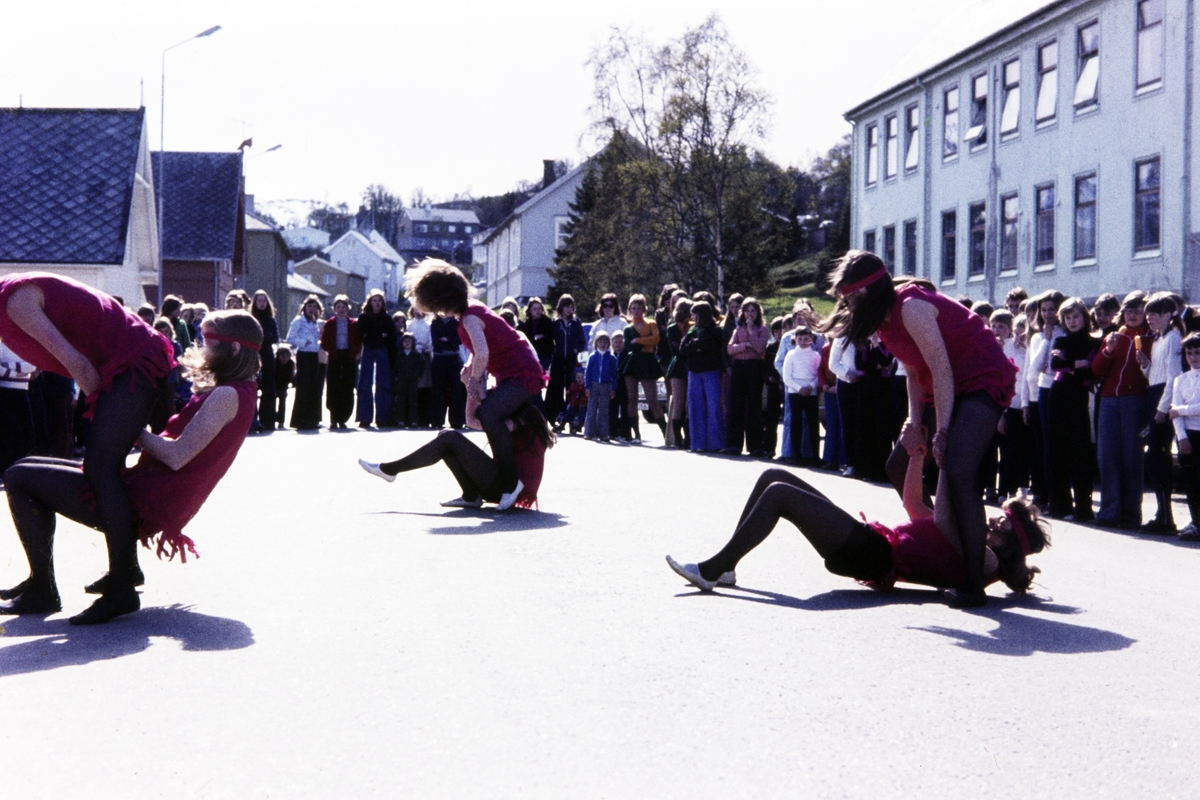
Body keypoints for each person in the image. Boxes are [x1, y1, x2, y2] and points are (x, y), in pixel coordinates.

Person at [0, 310, 261, 624]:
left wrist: (128, 424)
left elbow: (177, 455)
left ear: (233, 349)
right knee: (28, 465)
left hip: (142, 501)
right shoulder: (239, 391)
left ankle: (44, 588)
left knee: (19, 477)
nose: (200, 348)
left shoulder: (227, 395)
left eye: (207, 341)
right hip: (143, 490)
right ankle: (121, 569)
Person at [818, 251, 1017, 607]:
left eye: (849, 298)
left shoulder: (911, 307)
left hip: (979, 378)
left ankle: (973, 580)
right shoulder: (884, 318)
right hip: (943, 385)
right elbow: (913, 371)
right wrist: (913, 423)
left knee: (956, 470)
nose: (846, 306)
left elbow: (942, 370)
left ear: (868, 290)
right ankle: (949, 538)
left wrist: (941, 433)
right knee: (898, 464)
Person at [666, 441, 1050, 600]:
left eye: (1001, 525)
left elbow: (952, 504)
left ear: (1010, 545)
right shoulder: (968, 538)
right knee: (772, 477)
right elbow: (916, 503)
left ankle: (711, 569)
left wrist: (951, 454)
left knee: (779, 496)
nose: (991, 523)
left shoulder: (986, 564)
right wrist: (918, 452)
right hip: (872, 544)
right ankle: (728, 566)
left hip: (873, 555)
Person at [0, 273, 175, 620]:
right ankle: (44, 586)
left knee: (100, 468)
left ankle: (122, 585)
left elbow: (78, 365)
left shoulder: (16, 303)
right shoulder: (11, 295)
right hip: (130, 360)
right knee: (28, 474)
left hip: (134, 361)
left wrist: (100, 414)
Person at [405, 260, 547, 510]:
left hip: (522, 373)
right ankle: (488, 488)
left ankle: (510, 483)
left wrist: (473, 382)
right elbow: (480, 351)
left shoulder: (469, 319)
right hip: (517, 372)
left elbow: (482, 353)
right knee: (484, 415)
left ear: (441, 302)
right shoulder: (472, 311)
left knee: (490, 413)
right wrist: (470, 369)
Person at [359, 402, 555, 510]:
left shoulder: (528, 412)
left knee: (451, 438)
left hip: (510, 489)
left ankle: (390, 469)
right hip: (503, 484)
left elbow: (499, 427)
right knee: (446, 436)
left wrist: (485, 402)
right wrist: (472, 390)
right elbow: (475, 422)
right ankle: (470, 496)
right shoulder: (524, 409)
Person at [1091, 292, 1149, 529]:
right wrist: (1107, 350)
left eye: (1137, 311)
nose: (1133, 316)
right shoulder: (1115, 336)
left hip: (1134, 399)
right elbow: (1096, 370)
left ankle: (1131, 514)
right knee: (1107, 456)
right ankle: (1109, 511)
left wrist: (1146, 361)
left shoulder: (1150, 336)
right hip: (1108, 400)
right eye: (1129, 311)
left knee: (1131, 456)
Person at [1142, 292, 1184, 532]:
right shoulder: (1158, 339)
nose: (1150, 318)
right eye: (1148, 314)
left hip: (1162, 398)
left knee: (1158, 456)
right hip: (1154, 393)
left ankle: (1166, 516)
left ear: (1168, 315)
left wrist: (1163, 407)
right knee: (1154, 457)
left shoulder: (1173, 337)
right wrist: (1145, 364)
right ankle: (1162, 513)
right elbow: (1154, 375)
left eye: (1155, 314)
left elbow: (1173, 376)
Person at [724, 297, 769, 456]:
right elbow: (730, 349)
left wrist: (751, 333)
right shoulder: (738, 329)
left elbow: (760, 348)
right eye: (747, 311)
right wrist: (744, 345)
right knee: (736, 405)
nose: (750, 314)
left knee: (753, 406)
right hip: (738, 368)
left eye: (753, 310)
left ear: (758, 312)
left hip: (753, 367)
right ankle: (734, 444)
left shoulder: (762, 329)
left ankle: (755, 445)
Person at [680, 301, 726, 453]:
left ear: (701, 314)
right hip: (694, 373)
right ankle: (697, 443)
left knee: (713, 407)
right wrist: (698, 346)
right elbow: (683, 349)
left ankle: (716, 443)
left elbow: (712, 346)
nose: (691, 316)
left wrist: (697, 345)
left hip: (710, 372)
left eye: (694, 313)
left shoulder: (715, 330)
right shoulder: (692, 330)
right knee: (695, 408)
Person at [620, 294, 666, 442]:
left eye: (639, 308)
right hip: (632, 363)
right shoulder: (628, 328)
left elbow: (656, 339)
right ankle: (636, 434)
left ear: (644, 309)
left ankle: (666, 433)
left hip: (647, 362)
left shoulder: (651, 324)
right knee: (632, 399)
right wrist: (641, 343)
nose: (636, 311)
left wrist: (639, 340)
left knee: (652, 400)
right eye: (633, 308)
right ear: (629, 309)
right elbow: (628, 345)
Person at [1170, 333, 1200, 541]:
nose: (1193, 357)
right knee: (1192, 482)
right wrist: (1182, 437)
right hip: (1189, 437)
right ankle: (1196, 522)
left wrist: (1181, 410)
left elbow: (1178, 410)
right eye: (1189, 353)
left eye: (1197, 352)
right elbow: (1173, 413)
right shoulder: (1181, 379)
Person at [782, 326, 822, 467]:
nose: (803, 341)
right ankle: (796, 456)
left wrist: (810, 387)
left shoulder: (816, 356)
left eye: (806, 338)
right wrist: (799, 388)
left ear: (811, 339)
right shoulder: (791, 355)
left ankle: (815, 457)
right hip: (795, 392)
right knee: (796, 423)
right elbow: (787, 377)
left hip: (811, 392)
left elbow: (818, 375)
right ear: (795, 339)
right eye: (800, 338)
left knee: (813, 425)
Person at [320, 295, 361, 430]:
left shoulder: (354, 324)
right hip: (335, 358)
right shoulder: (330, 323)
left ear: (348, 309)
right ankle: (333, 418)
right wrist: (329, 349)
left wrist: (355, 353)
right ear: (334, 309)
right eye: (338, 307)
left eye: (343, 307)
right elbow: (325, 342)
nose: (341, 309)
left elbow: (358, 341)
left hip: (348, 357)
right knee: (333, 388)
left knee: (347, 388)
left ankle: (343, 419)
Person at [355, 289, 394, 429]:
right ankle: (365, 417)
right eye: (374, 300)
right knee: (365, 382)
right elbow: (359, 334)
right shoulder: (364, 317)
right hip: (368, 349)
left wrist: (385, 337)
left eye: (379, 301)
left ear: (382, 303)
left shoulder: (387, 318)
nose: (377, 303)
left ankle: (382, 417)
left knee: (383, 383)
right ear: (370, 302)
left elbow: (391, 336)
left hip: (382, 350)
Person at [285, 295, 324, 430]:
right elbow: (290, 338)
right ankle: (301, 419)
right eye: (309, 306)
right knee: (304, 387)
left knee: (314, 387)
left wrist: (318, 344)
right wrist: (303, 343)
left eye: (314, 306)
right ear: (304, 307)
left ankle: (313, 418)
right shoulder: (299, 321)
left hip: (314, 355)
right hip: (304, 355)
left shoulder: (314, 322)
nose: (312, 309)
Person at [547, 295, 585, 423]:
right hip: (558, 358)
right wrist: (553, 350)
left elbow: (582, 341)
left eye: (571, 307)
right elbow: (549, 340)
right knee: (556, 386)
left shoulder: (576, 322)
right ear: (561, 307)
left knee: (572, 386)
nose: (569, 310)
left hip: (571, 359)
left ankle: (572, 414)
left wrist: (576, 349)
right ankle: (556, 413)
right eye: (566, 306)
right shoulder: (555, 322)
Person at [665, 299, 693, 450]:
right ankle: (677, 438)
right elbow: (676, 350)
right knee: (678, 402)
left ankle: (688, 437)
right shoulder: (672, 328)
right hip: (677, 366)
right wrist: (688, 347)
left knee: (689, 404)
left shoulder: (693, 327)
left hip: (691, 366)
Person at [250, 290, 279, 433]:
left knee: (268, 388)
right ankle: (252, 421)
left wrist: (262, 339)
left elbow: (275, 338)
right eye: (259, 301)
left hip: (267, 355)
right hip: (253, 355)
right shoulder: (251, 319)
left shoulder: (270, 319)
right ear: (254, 303)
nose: (261, 304)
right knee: (252, 387)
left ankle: (268, 420)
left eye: (264, 301)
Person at [584, 331, 618, 441]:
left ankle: (603, 433)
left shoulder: (612, 358)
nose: (602, 344)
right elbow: (587, 372)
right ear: (596, 343)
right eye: (600, 342)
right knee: (591, 408)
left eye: (605, 342)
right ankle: (589, 432)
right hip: (594, 384)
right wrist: (587, 386)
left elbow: (614, 374)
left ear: (608, 344)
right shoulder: (593, 356)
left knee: (604, 409)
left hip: (606, 384)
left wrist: (613, 388)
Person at [391, 332, 423, 428]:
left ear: (413, 342)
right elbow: (395, 367)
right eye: (404, 341)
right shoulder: (399, 355)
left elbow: (422, 366)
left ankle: (413, 420)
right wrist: (396, 376)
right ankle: (400, 420)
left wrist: (419, 376)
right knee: (401, 400)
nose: (407, 343)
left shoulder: (416, 355)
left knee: (412, 400)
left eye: (409, 341)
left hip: (413, 380)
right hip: (401, 380)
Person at [519, 297, 555, 373]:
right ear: (530, 311)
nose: (537, 311)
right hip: (532, 353)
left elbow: (550, 336)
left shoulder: (547, 321)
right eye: (534, 309)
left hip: (545, 353)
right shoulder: (527, 323)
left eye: (539, 308)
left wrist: (542, 337)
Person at [559, 367, 588, 434]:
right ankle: (563, 423)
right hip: (573, 402)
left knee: (582, 412)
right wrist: (569, 392)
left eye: (582, 377)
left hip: (582, 402)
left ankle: (579, 425)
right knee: (569, 411)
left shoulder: (585, 386)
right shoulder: (573, 385)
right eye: (578, 377)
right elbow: (570, 391)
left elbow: (584, 392)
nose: (580, 379)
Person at [274, 344, 296, 428]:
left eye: (287, 356)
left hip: (283, 386)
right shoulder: (274, 363)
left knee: (282, 403)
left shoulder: (291, 364)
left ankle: (281, 421)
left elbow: (292, 377)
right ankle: (273, 418)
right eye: (282, 356)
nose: (285, 358)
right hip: (274, 384)